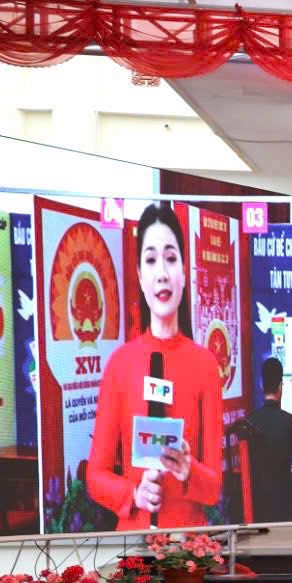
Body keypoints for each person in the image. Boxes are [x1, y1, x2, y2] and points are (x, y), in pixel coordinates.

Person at [87, 202, 224, 530]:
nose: (162, 272)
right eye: (150, 260)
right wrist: (133, 494)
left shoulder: (205, 365)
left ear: (184, 272)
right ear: (139, 274)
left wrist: (189, 471)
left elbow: (214, 488)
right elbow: (95, 477)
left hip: (188, 544)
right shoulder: (120, 365)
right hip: (135, 542)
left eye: (171, 258)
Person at [243, 357, 292, 524]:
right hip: (285, 504)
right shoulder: (289, 421)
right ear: (280, 386)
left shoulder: (250, 422)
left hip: (257, 505)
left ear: (261, 384)